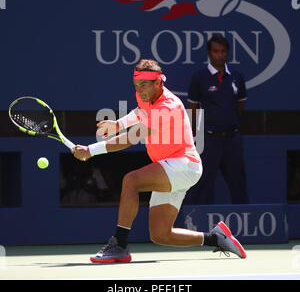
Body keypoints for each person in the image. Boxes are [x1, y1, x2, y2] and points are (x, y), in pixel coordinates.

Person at [73, 59, 247, 262]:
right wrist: (118, 124)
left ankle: (119, 244)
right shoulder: (145, 95)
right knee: (161, 235)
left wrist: (90, 150)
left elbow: (131, 138)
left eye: (144, 85)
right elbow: (140, 111)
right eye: (136, 86)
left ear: (158, 82)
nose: (140, 91)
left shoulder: (168, 107)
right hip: (170, 168)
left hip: (184, 165)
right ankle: (217, 239)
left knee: (131, 180)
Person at [185, 35, 248, 204]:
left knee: (238, 183)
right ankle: (196, 225)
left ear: (227, 53)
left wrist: (228, 122)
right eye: (216, 51)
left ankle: (242, 223)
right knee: (202, 183)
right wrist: (196, 134)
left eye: (223, 51)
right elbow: (193, 108)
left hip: (232, 138)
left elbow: (240, 105)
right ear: (209, 53)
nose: (220, 55)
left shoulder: (237, 77)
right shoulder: (199, 77)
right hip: (209, 138)